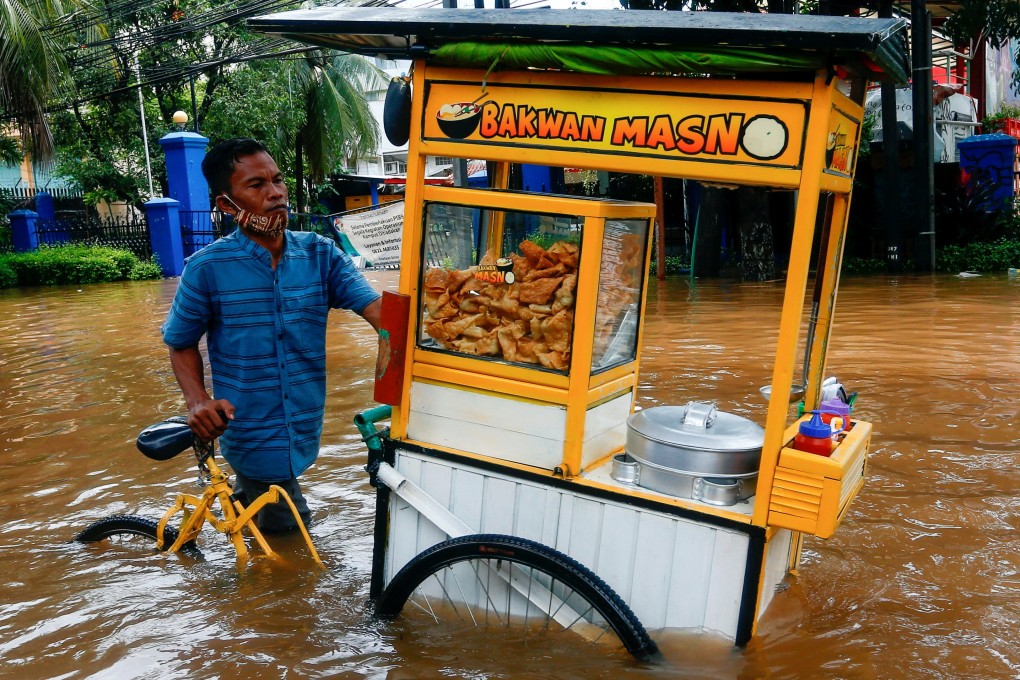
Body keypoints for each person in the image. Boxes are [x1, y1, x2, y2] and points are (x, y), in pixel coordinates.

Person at [161, 138, 381, 533]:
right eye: (257, 185)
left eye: (277, 180)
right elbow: (180, 342)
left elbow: (378, 312)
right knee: (294, 539)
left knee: (262, 523)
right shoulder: (206, 268)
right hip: (249, 427)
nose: (276, 193)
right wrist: (197, 401)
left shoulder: (321, 254)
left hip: (304, 422)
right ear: (227, 204)